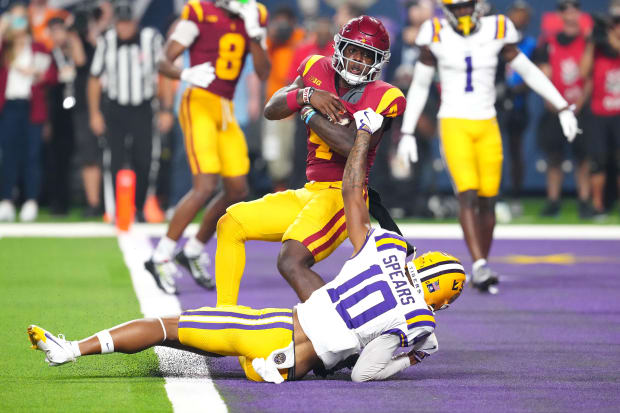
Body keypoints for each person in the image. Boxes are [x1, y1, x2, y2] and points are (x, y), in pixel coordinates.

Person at [27, 108, 466, 383]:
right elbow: (366, 372)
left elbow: (353, 191)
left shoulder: (386, 249)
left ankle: (71, 350)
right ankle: (269, 362)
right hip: (298, 361)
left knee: (168, 327)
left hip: (275, 327)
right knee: (190, 337)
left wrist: (364, 138)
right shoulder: (419, 322)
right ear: (440, 301)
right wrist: (410, 360)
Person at [213, 16, 409, 306]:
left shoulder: (385, 96)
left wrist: (307, 110)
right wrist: (306, 93)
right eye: (353, 50)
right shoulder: (316, 68)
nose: (357, 60)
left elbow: (350, 145)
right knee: (230, 223)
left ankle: (338, 329)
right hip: (312, 190)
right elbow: (272, 108)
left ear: (378, 61)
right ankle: (224, 315)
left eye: (367, 55)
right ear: (340, 47)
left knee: (291, 260)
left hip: (344, 196)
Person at [397, 0, 580, 292]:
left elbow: (529, 70)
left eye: (466, 6)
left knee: (488, 198)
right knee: (467, 193)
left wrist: (562, 106)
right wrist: (407, 130)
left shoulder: (497, 29)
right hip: (454, 120)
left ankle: (482, 260)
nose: (462, 12)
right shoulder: (434, 32)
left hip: (487, 121)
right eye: (456, 8)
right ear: (446, 10)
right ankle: (480, 264)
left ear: (478, 6)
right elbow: (420, 84)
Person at [146, 0, 270, 293]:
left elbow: (264, 72)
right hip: (199, 102)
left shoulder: (255, 15)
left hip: (226, 108)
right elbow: (164, 60)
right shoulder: (199, 11)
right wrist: (184, 74)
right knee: (204, 185)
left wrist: (254, 33)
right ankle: (160, 255)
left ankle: (192, 250)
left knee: (238, 188)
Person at [87, 1, 165, 223]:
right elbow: (94, 79)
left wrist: (166, 108)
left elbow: (164, 74)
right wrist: (94, 113)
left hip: (143, 107)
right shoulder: (107, 41)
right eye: (120, 23)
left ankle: (140, 207)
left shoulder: (151, 40)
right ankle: (114, 210)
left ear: (135, 23)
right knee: (114, 159)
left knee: (145, 158)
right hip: (115, 108)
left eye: (127, 23)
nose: (123, 28)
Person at [535, 0, 591, 218]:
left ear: (579, 12)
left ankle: (585, 201)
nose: (569, 13)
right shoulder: (549, 42)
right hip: (555, 108)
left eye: (573, 8)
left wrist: (579, 105)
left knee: (583, 157)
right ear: (559, 14)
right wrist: (554, 104)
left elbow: (589, 77)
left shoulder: (588, 42)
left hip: (581, 108)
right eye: (564, 9)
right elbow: (542, 75)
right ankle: (553, 200)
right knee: (554, 157)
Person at [0, 2, 56, 222]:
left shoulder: (38, 48)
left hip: (32, 108)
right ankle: (6, 199)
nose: (18, 24)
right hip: (9, 108)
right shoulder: (5, 48)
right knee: (8, 155)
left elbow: (52, 74)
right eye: (15, 19)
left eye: (22, 19)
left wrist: (38, 74)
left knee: (32, 155)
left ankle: (31, 200)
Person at [580, 2, 620, 217]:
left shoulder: (614, 45)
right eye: (614, 24)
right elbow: (582, 72)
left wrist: (611, 36)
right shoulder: (599, 50)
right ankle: (597, 206)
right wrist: (591, 43)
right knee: (597, 162)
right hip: (598, 113)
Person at [498, 0, 536, 215]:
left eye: (523, 14)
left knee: (515, 150)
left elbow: (535, 72)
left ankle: (515, 195)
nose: (519, 18)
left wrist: (514, 90)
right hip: (497, 104)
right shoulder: (497, 41)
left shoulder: (530, 43)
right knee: (496, 151)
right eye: (516, 14)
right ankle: (497, 195)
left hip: (518, 105)